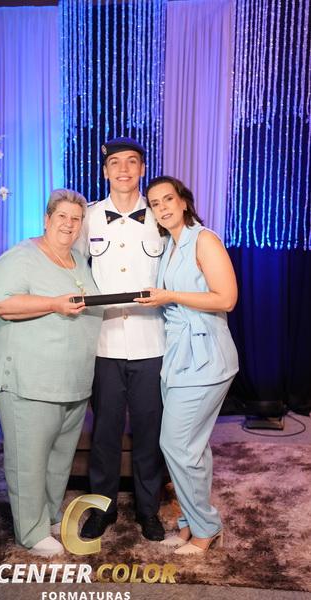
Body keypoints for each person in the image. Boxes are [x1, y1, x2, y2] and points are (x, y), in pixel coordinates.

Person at [0, 189, 103, 558]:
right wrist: (52, 304)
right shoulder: (21, 256)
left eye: (76, 219)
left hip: (72, 381)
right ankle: (31, 532)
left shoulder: (78, 260)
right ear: (47, 219)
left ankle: (49, 516)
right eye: (62, 216)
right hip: (29, 378)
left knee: (59, 458)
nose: (69, 224)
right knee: (29, 460)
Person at [135, 175, 238, 555]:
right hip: (178, 356)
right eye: (154, 203)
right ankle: (191, 523)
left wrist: (170, 295)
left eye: (167, 199)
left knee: (175, 444)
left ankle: (206, 527)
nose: (162, 208)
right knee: (192, 447)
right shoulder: (169, 245)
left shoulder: (204, 239)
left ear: (183, 201)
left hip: (206, 356)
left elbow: (226, 299)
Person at [76, 137, 167, 541]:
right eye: (115, 163)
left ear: (143, 169)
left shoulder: (161, 216)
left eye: (132, 162)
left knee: (150, 431)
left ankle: (149, 510)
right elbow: (72, 267)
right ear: (105, 171)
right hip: (105, 342)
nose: (124, 169)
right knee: (105, 432)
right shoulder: (89, 217)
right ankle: (102, 509)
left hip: (153, 342)